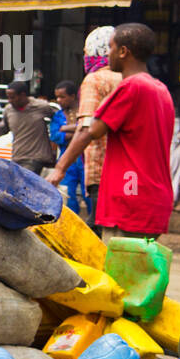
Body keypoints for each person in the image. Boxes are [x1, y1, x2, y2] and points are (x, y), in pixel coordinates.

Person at [49, 23, 173, 241]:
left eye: (112, 47)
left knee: (120, 270)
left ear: (124, 51)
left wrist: (58, 170)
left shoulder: (131, 87)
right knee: (141, 272)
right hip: (154, 197)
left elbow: (89, 129)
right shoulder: (160, 89)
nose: (108, 54)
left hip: (130, 195)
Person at [73, 25, 123, 232]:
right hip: (123, 169)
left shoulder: (95, 80)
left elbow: (86, 127)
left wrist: (60, 168)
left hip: (100, 165)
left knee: (97, 226)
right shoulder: (130, 79)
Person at [0, 80, 59, 175]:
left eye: (12, 97)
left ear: (23, 95)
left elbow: (58, 119)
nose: (10, 100)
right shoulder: (9, 110)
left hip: (36, 158)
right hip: (18, 157)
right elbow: (2, 129)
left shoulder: (40, 106)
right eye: (8, 97)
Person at [50, 80, 88, 216]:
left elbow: (90, 130)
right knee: (66, 193)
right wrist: (79, 133)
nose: (59, 100)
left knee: (88, 192)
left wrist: (65, 129)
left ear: (73, 96)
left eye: (62, 97)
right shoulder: (58, 115)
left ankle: (93, 227)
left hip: (85, 158)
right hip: (66, 159)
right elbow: (55, 135)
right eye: (57, 97)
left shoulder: (85, 112)